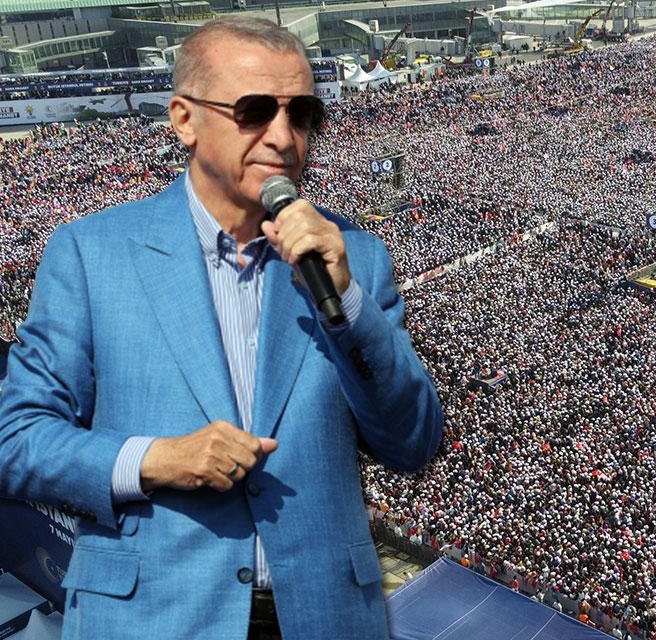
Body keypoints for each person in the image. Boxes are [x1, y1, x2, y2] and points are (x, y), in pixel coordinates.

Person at [0, 16, 443, 640]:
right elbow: (15, 440)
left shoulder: (356, 257)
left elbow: (413, 441)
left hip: (323, 617)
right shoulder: (92, 253)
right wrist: (154, 459)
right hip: (151, 617)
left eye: (303, 114)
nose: (283, 137)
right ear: (184, 119)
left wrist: (347, 303)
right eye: (255, 111)